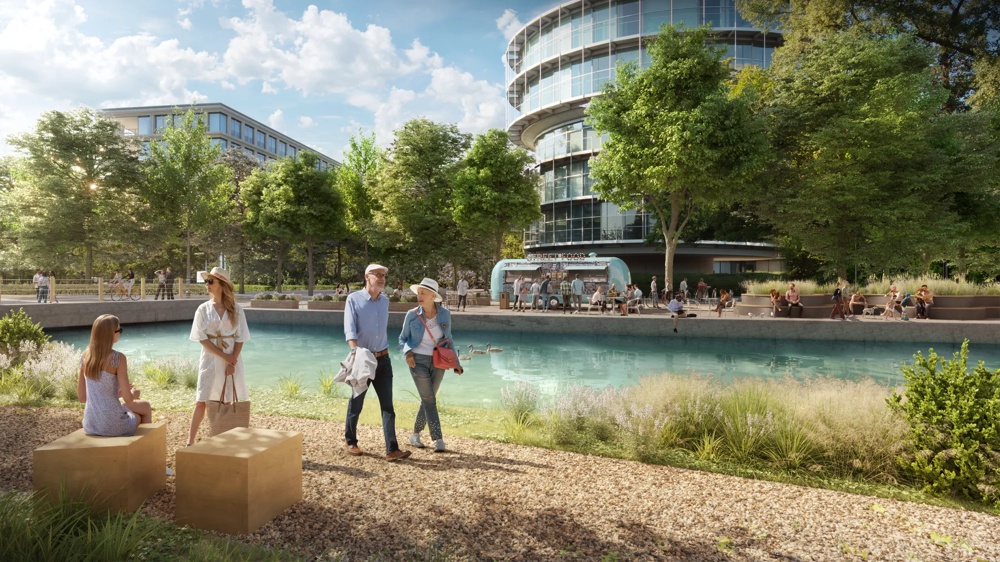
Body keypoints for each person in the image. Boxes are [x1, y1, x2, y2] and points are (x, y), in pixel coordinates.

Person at [344, 264, 410, 461]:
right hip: (363, 360)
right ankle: (351, 442)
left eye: (384, 276)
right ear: (367, 276)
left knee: (388, 405)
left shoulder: (384, 301)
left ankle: (392, 449)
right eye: (378, 275)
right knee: (357, 403)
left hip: (384, 359)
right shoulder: (353, 299)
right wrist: (356, 353)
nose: (382, 278)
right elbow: (350, 329)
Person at [186, 267, 251, 447]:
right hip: (209, 360)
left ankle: (225, 441)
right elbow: (201, 337)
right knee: (201, 400)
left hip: (231, 359)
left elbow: (240, 337)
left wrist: (233, 360)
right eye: (206, 281)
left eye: (210, 281)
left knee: (226, 400)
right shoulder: (203, 309)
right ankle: (190, 441)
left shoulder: (237, 310)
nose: (206, 284)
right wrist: (224, 356)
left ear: (222, 285)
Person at [398, 278, 464, 453]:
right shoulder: (412, 315)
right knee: (429, 399)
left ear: (433, 295)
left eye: (423, 293)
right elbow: (402, 339)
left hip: (439, 361)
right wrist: (408, 353)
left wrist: (456, 363)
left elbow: (448, 340)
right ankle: (438, 439)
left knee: (428, 399)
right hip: (417, 361)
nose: (419, 296)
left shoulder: (444, 315)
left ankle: (415, 434)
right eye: (418, 292)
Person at [77, 314, 152, 436]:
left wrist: (115, 393)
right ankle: (145, 449)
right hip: (113, 424)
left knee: (132, 409)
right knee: (145, 408)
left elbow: (82, 398)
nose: (120, 333)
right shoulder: (118, 358)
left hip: (90, 424)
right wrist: (133, 393)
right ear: (110, 334)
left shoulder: (85, 357)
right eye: (119, 330)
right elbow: (128, 399)